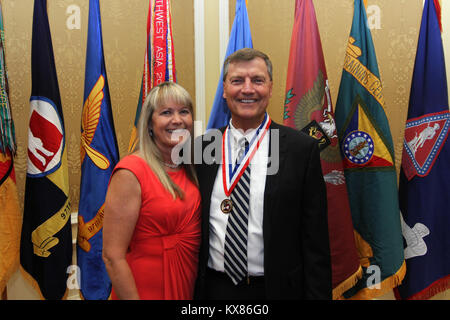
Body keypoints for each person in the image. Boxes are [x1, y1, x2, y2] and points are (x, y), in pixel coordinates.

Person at [194, 48, 332, 300]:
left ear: (270, 88)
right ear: (224, 89)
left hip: (276, 290)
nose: (247, 89)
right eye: (237, 81)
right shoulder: (201, 150)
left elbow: (316, 243)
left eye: (257, 80)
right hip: (213, 290)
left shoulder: (301, 150)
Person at [102, 81, 201, 300]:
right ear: (149, 124)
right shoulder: (131, 172)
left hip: (189, 283)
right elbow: (112, 256)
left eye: (184, 111)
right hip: (144, 290)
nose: (177, 120)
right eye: (166, 112)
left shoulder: (192, 167)